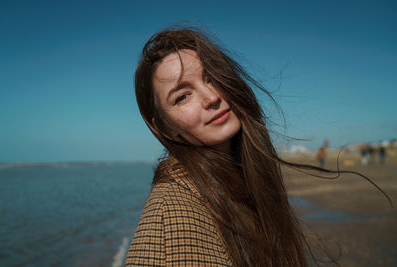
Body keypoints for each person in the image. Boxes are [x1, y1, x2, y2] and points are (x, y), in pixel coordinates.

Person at [126, 27, 388, 266]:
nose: (212, 97)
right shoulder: (170, 219)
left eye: (212, 78)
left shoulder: (241, 178)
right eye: (183, 96)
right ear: (163, 128)